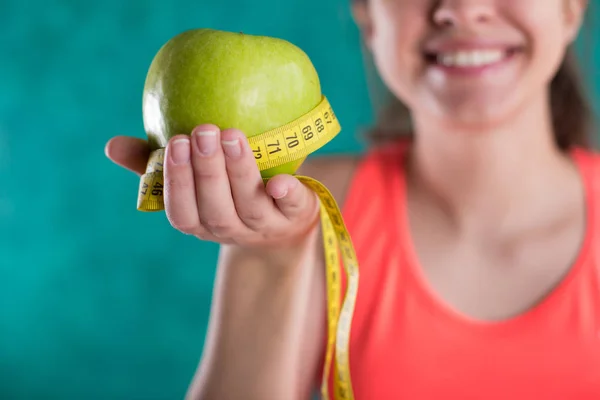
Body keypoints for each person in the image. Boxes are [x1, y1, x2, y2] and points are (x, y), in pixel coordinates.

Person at [105, 0, 600, 398]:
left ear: (572, 8)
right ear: (367, 14)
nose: (462, 8)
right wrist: (270, 253)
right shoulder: (298, 201)